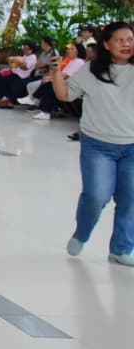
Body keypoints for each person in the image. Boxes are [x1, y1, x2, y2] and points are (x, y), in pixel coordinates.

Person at [51, 21, 134, 266]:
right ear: (106, 45)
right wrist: (57, 72)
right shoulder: (90, 72)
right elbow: (64, 95)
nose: (127, 44)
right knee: (96, 195)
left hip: (132, 145)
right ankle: (82, 233)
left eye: (130, 39)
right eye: (120, 40)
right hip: (98, 145)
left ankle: (121, 249)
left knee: (130, 199)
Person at [25, 40, 84, 119]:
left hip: (69, 84)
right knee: (48, 84)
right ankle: (40, 107)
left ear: (78, 51)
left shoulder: (78, 61)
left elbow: (65, 75)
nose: (69, 50)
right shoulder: (70, 60)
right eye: (69, 49)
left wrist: (50, 78)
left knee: (49, 85)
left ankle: (36, 102)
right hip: (64, 82)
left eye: (72, 49)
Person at [0, 42, 38, 107]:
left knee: (5, 79)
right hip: (15, 73)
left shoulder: (33, 57)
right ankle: (4, 98)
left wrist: (16, 61)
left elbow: (25, 67)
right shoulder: (25, 56)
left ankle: (7, 99)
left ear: (31, 50)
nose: (24, 50)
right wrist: (15, 61)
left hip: (21, 76)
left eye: (26, 49)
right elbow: (18, 63)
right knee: (1, 78)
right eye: (24, 48)